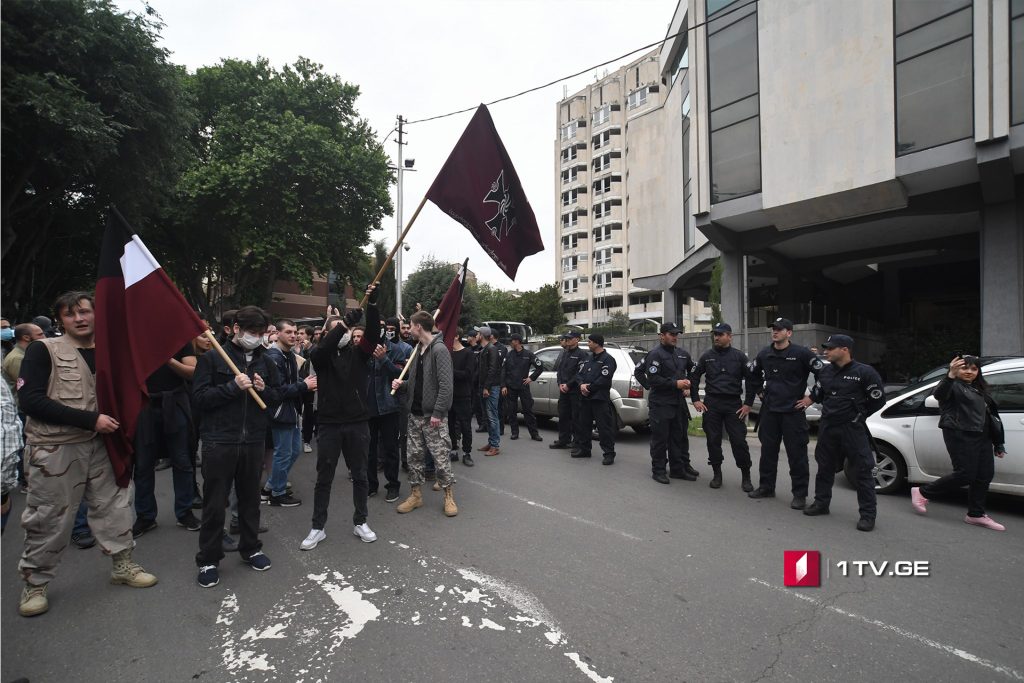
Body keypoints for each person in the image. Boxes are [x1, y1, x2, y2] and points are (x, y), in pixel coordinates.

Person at [17, 292, 157, 616]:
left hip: (104, 445)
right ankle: (34, 583)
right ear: (60, 320)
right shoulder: (43, 350)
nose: (79, 319)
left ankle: (123, 565)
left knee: (116, 505)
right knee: (50, 517)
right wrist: (89, 419)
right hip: (56, 449)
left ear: (97, 315)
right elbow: (31, 401)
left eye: (84, 312)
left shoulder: (110, 353)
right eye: (70, 314)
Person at [192, 305, 281, 587]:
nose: (256, 338)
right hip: (220, 440)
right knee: (215, 502)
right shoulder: (211, 359)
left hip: (253, 439)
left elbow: (277, 396)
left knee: (250, 499)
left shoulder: (266, 361)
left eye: (261, 333)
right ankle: (208, 558)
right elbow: (200, 398)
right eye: (252, 332)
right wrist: (232, 387)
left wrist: (264, 389)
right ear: (235, 330)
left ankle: (251, 547)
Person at [302, 292, 381, 552]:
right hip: (329, 424)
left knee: (360, 474)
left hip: (357, 422)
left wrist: (373, 305)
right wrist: (342, 324)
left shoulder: (359, 354)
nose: (344, 332)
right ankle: (317, 527)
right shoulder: (320, 356)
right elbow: (323, 349)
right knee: (324, 477)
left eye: (345, 328)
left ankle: (361, 521)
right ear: (327, 333)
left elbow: (373, 333)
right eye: (337, 329)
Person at [910, 355, 1007, 531]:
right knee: (965, 474)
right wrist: (950, 375)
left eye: (974, 369)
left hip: (983, 437)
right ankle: (923, 492)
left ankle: (975, 515)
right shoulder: (952, 386)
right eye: (965, 368)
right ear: (956, 370)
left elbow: (992, 418)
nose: (969, 372)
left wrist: (998, 443)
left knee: (984, 475)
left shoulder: (980, 389)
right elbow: (938, 394)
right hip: (960, 434)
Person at [803, 334, 886, 532]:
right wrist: (807, 400)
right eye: (826, 348)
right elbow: (819, 394)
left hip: (852, 428)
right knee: (824, 467)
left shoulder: (865, 372)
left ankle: (867, 515)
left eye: (831, 348)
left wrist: (859, 416)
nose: (826, 351)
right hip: (828, 427)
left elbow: (877, 400)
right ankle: (821, 504)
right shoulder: (825, 372)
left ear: (845, 350)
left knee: (863, 471)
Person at [745, 317, 822, 509]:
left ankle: (799, 494)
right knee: (767, 452)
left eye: (779, 329)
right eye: (773, 329)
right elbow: (752, 375)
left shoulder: (801, 354)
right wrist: (760, 392)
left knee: (797, 455)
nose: (775, 332)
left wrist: (811, 398)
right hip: (770, 411)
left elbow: (825, 375)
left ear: (789, 333)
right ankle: (766, 487)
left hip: (792, 413)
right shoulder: (764, 354)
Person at [131, 340, 201, 537]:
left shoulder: (177, 337)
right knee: (143, 464)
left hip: (175, 402)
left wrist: (167, 359)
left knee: (182, 460)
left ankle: (184, 511)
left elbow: (192, 372)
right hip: (143, 404)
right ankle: (145, 516)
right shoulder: (132, 339)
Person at [392, 311, 457, 517]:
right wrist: (402, 384)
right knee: (414, 458)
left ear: (419, 327)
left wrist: (438, 412)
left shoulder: (440, 350)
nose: (408, 329)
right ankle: (416, 495)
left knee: (440, 458)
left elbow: (446, 386)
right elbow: (418, 382)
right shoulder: (417, 349)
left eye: (410, 325)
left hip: (433, 418)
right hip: (415, 415)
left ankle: (448, 496)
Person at [691, 322, 754, 491]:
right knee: (713, 440)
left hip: (733, 404)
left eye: (720, 334)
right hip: (712, 404)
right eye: (715, 334)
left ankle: (746, 476)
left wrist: (748, 403)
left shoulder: (739, 357)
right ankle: (717, 474)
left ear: (729, 336)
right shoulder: (707, 356)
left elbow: (751, 379)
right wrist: (696, 399)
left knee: (739, 441)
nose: (716, 337)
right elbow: (695, 377)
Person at [264, 319, 316, 507]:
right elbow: (276, 391)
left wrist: (303, 383)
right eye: (288, 332)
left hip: (291, 411)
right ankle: (277, 494)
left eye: (295, 332)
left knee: (293, 451)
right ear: (277, 334)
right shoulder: (273, 357)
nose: (293, 335)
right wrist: (304, 385)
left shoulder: (288, 355)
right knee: (284, 453)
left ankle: (270, 486)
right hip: (280, 412)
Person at [635, 323, 697, 481]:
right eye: (671, 334)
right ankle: (659, 470)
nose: (675, 337)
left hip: (677, 403)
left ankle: (677, 469)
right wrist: (675, 384)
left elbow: (691, 370)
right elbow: (653, 379)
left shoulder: (679, 353)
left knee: (677, 438)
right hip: (661, 404)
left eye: (676, 334)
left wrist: (688, 383)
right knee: (660, 439)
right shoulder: (655, 354)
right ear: (661, 335)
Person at [367, 317, 410, 502]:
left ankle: (393, 485)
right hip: (368, 408)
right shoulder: (363, 350)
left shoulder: (396, 350)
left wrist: (384, 359)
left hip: (389, 407)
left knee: (391, 449)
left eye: (384, 328)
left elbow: (399, 375)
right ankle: (371, 485)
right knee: (369, 450)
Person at [574, 334, 617, 464]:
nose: (588, 344)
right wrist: (581, 385)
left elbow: (604, 379)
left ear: (597, 343)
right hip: (585, 398)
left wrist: (589, 388)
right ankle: (585, 449)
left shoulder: (608, 360)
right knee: (584, 425)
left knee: (604, 428)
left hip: (599, 399)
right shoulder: (588, 358)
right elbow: (579, 374)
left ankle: (609, 453)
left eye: (590, 342)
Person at [503, 333, 544, 441]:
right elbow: (503, 371)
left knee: (528, 410)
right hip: (511, 386)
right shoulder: (509, 355)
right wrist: (503, 386)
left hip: (523, 386)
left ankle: (534, 434)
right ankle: (514, 433)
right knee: (511, 411)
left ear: (517, 341)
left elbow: (540, 367)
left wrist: (531, 378)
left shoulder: (528, 354)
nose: (510, 343)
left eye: (511, 340)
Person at [551, 332, 587, 450]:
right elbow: (560, 370)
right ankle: (563, 440)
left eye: (569, 338)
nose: (567, 340)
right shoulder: (565, 353)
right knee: (563, 416)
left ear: (576, 340)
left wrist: (568, 384)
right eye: (566, 338)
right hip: (564, 390)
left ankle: (576, 442)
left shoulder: (582, 354)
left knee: (576, 417)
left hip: (574, 390)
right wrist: (560, 383)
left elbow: (580, 373)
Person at [449, 331, 476, 466]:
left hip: (463, 395)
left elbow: (468, 374)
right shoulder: (447, 353)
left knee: (465, 425)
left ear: (456, 336)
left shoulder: (468, 353)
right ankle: (453, 450)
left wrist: (449, 371)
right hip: (449, 395)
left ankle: (467, 453)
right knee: (450, 425)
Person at [476, 326, 502, 457]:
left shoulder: (492, 349)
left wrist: (487, 387)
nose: (476, 335)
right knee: (488, 415)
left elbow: (492, 370)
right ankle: (491, 443)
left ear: (482, 335)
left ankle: (495, 446)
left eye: (477, 333)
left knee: (492, 416)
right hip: (485, 386)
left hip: (491, 387)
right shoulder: (484, 349)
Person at [3, 323, 44, 394]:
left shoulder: (26, 354)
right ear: (26, 338)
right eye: (40, 335)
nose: (44, 337)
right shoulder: (17, 358)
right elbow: (30, 386)